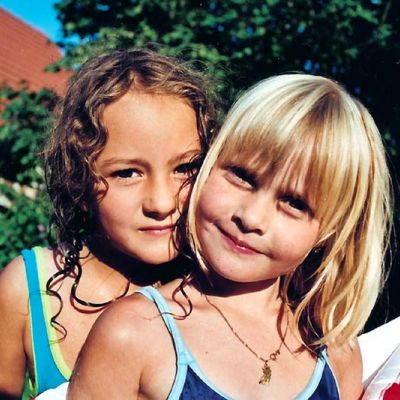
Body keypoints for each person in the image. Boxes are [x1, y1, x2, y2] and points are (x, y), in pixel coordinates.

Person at [68, 74, 392, 399]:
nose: (251, 218)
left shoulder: (338, 357)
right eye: (242, 176)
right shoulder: (134, 332)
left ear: (329, 231)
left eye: (294, 203)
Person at [0, 48, 218, 399]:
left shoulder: (220, 291)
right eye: (127, 173)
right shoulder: (26, 290)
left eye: (185, 168)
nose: (162, 203)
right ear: (78, 180)